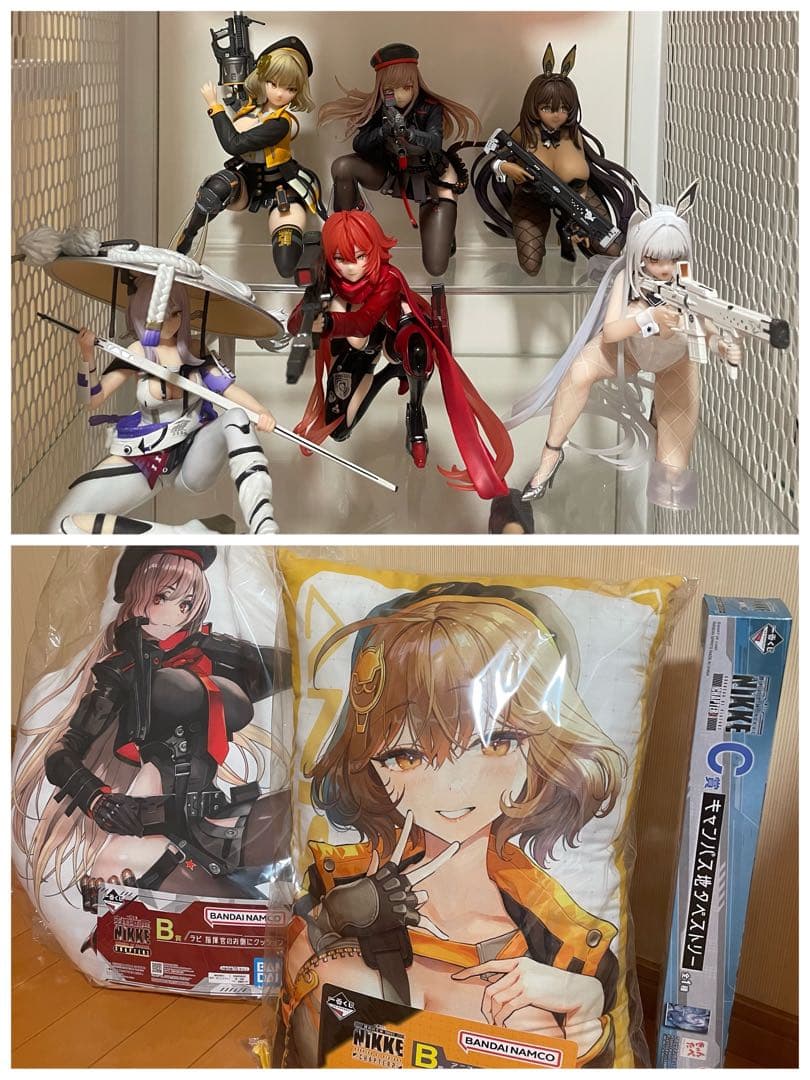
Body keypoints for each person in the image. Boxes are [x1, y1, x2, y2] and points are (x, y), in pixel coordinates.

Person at [277, 582, 627, 1067]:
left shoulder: (567, 945)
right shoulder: (333, 887)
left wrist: (586, 1026)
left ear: (538, 753)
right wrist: (332, 922)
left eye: (495, 743)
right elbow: (301, 1029)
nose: (456, 785)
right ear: (374, 766)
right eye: (408, 755)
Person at [12, 547, 292, 905]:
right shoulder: (122, 671)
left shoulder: (211, 653)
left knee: (297, 816)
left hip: (213, 819)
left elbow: (289, 666)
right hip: (147, 832)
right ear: (137, 598)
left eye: (187, 603)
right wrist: (97, 800)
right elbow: (62, 753)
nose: (177, 612)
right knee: (243, 918)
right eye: (162, 597)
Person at [511, 183, 743, 510]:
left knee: (671, 481)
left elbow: (706, 329)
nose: (665, 268)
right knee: (577, 374)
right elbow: (611, 332)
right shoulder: (629, 280)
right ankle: (551, 453)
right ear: (640, 254)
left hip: (674, 365)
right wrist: (648, 318)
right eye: (655, 259)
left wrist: (722, 347)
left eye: (674, 258)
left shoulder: (687, 284)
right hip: (626, 352)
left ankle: (660, 432)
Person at [291, 210, 512, 499]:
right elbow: (294, 323)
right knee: (339, 429)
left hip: (393, 332)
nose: (352, 268)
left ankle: (415, 411)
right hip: (362, 348)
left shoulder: (389, 277)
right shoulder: (328, 279)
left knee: (418, 353)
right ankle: (386, 374)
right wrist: (315, 307)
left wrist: (329, 322)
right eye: (341, 259)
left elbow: (364, 322)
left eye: (360, 256)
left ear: (374, 249)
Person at [48, 274, 281, 535]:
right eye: (161, 316)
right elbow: (93, 398)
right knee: (61, 525)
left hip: (194, 452)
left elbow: (227, 389)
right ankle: (187, 536)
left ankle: (264, 527)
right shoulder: (138, 352)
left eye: (176, 313)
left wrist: (261, 412)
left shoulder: (194, 349)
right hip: (147, 454)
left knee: (237, 417)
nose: (171, 322)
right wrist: (87, 355)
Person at [469, 43, 637, 276]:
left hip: (576, 196)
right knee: (530, 265)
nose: (557, 115)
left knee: (612, 246)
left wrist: (579, 214)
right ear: (534, 106)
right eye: (548, 108)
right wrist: (506, 167)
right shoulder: (523, 134)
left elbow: (588, 166)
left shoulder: (574, 134)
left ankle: (567, 234)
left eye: (564, 108)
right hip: (532, 196)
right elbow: (494, 156)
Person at [319, 43, 480, 276]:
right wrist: (382, 131)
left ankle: (445, 235)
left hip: (431, 178)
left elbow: (435, 141)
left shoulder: (430, 107)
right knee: (342, 166)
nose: (400, 95)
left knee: (436, 267)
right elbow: (359, 144)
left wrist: (410, 134)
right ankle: (345, 234)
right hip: (395, 173)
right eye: (391, 89)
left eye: (407, 87)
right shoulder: (380, 109)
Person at [175, 36, 326, 277]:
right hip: (248, 182)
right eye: (273, 83)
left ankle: (316, 264)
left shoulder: (280, 124)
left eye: (290, 89)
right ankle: (187, 237)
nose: (280, 94)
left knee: (286, 262)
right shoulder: (251, 107)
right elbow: (241, 99)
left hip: (281, 188)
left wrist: (214, 106)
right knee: (215, 188)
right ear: (262, 79)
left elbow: (233, 144)